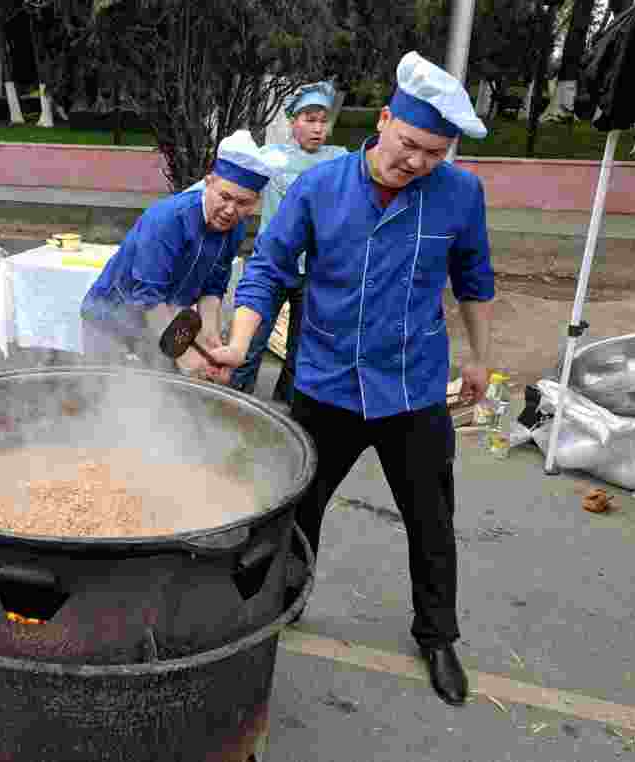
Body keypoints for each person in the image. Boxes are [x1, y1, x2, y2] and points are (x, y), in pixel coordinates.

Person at [211, 51, 496, 707]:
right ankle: (289, 593)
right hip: (327, 381)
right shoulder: (321, 187)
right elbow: (268, 270)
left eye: (434, 152)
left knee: (431, 520)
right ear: (386, 119)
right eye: (410, 144)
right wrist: (239, 343)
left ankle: (438, 634)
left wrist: (480, 358)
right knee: (296, 511)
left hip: (413, 388)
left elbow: (474, 281)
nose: (418, 162)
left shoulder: (460, 194)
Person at [80, 130, 272, 379]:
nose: (230, 210)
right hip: (110, 317)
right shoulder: (168, 220)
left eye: (243, 203)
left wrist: (210, 341)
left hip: (165, 319)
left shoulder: (235, 229)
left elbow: (212, 288)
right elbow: (148, 297)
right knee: (104, 392)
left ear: (255, 202)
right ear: (210, 181)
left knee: (161, 396)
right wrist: (183, 355)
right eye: (225, 197)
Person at [230, 81, 348, 403]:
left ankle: (287, 412)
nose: (317, 128)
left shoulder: (339, 162)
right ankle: (236, 404)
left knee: (302, 349)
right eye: (309, 119)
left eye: (323, 120)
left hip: (316, 271)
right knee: (251, 341)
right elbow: (228, 180)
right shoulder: (270, 158)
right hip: (273, 267)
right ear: (293, 121)